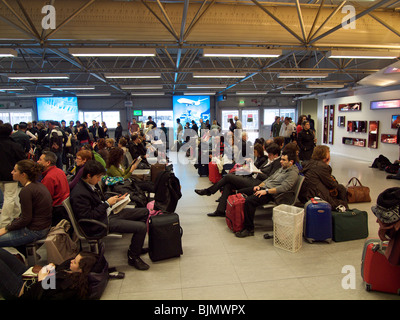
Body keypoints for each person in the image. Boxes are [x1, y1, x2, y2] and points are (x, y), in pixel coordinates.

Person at [70, 160, 150, 270]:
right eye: (98, 177)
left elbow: (98, 203)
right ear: (89, 176)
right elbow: (88, 216)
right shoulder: (79, 193)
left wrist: (115, 201)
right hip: (99, 223)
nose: (99, 180)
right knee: (141, 227)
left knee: (144, 212)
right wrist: (107, 203)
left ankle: (136, 246)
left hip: (107, 213)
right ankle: (133, 257)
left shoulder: (90, 185)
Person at [195, 143, 282, 217]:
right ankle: (220, 210)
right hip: (253, 178)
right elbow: (259, 168)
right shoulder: (268, 160)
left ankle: (209, 191)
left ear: (276, 155)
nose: (268, 156)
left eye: (270, 155)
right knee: (228, 184)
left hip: (259, 183)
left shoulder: (277, 163)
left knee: (229, 177)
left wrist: (258, 172)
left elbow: (270, 178)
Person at [235, 151, 300, 237]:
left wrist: (266, 191)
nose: (281, 161)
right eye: (281, 159)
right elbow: (270, 179)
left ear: (291, 162)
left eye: (284, 160)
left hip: (273, 194)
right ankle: (240, 221)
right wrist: (259, 186)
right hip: (265, 189)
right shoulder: (282, 168)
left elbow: (284, 188)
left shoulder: (292, 173)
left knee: (249, 201)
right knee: (240, 192)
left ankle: (249, 229)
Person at [0, 248, 99, 300]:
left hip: (21, 292)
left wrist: (42, 281)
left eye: (75, 262)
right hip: (29, 279)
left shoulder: (70, 289)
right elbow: (52, 283)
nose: (72, 261)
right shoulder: (70, 271)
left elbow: (45, 294)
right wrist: (52, 267)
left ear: (81, 270)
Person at [0, 160, 52, 248]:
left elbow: (25, 219)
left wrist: (6, 229)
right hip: (44, 226)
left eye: (15, 170)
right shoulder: (38, 185)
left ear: (23, 175)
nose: (12, 172)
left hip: (35, 231)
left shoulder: (26, 191)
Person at [299, 145, 348, 211]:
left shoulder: (308, 163)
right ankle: (343, 212)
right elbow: (332, 185)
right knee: (342, 197)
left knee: (340, 188)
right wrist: (327, 164)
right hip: (316, 196)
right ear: (325, 156)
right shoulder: (322, 167)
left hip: (306, 194)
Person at [0, 123, 26, 228]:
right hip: (11, 174)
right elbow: (21, 158)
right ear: (11, 132)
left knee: (9, 195)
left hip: (1, 175)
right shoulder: (14, 145)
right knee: (9, 197)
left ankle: (16, 214)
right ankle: (4, 222)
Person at [37, 151, 70, 226]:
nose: (38, 162)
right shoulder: (59, 171)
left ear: (48, 163)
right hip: (63, 209)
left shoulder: (49, 177)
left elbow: (45, 200)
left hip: (55, 212)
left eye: (40, 160)